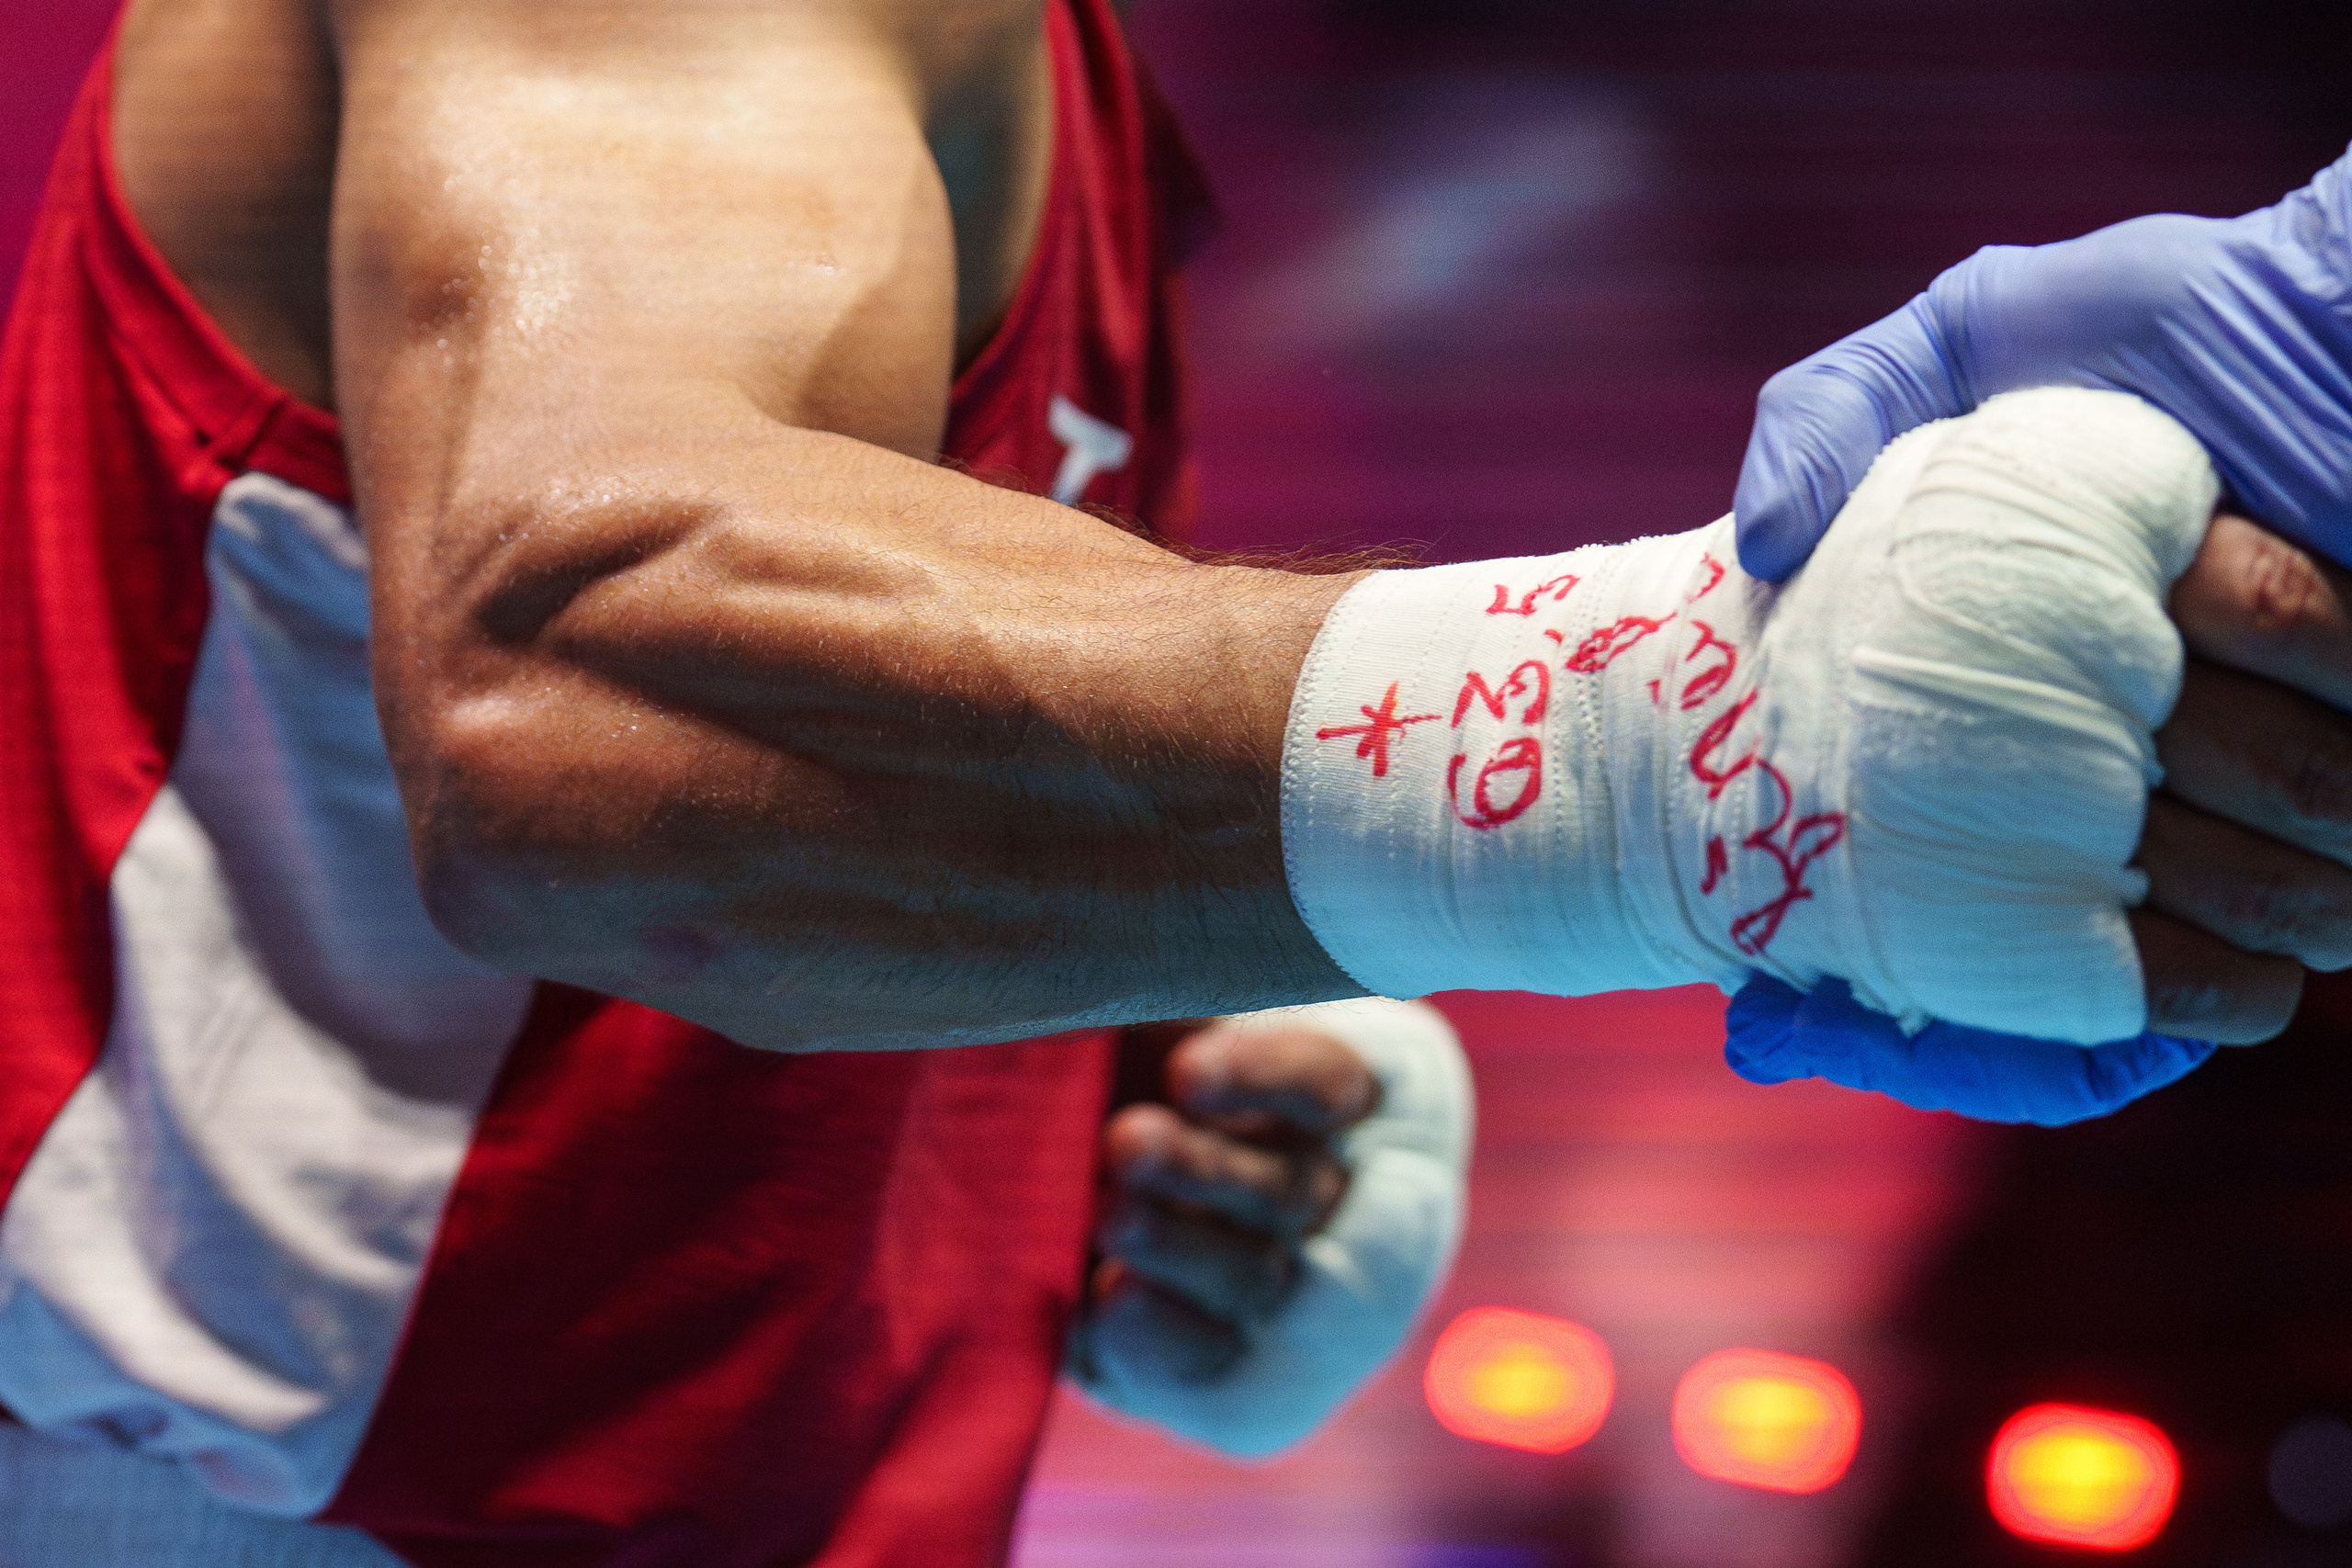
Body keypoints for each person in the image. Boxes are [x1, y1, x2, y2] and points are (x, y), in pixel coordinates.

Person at [4, 2, 2352, 1566]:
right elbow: (567, 698)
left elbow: (690, 800)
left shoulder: (1050, 98)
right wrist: (1649, 749)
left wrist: (1100, 1082)